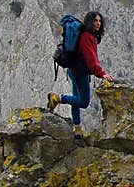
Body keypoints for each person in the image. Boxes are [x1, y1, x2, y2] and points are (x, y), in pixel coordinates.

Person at [47, 11, 114, 139]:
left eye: (100, 21)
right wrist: (102, 74)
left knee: (76, 98)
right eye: (95, 21)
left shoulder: (88, 35)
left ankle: (77, 128)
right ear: (89, 22)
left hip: (75, 69)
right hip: (80, 72)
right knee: (83, 102)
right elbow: (91, 59)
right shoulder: (87, 37)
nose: (98, 23)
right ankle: (57, 98)